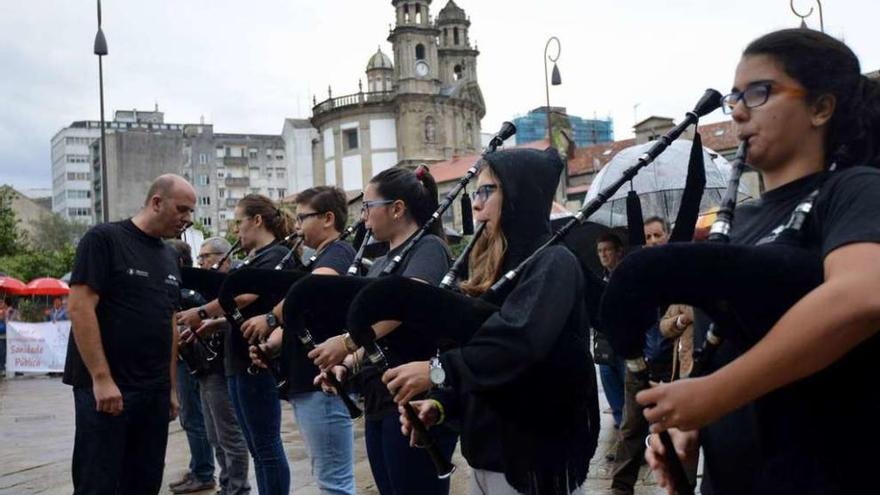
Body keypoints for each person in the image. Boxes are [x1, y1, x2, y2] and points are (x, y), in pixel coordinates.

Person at [639, 28, 880, 495]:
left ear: (820, 108)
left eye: (760, 91)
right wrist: (691, 428)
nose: (738, 110)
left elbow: (862, 297)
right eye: (735, 95)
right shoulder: (740, 222)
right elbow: (728, 346)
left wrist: (714, 395)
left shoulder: (856, 190)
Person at [393, 148, 599, 494]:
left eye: (487, 191)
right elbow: (482, 358)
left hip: (533, 461)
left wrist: (437, 370)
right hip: (487, 458)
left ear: (519, 196)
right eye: (476, 192)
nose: (476, 204)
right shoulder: (493, 266)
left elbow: (517, 343)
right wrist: (442, 404)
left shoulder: (553, 261)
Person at [309, 166, 458, 495]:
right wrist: (347, 365)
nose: (363, 217)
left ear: (397, 208)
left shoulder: (429, 248)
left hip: (415, 398)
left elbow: (408, 303)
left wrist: (347, 343)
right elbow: (374, 332)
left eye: (368, 206)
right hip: (379, 395)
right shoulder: (379, 263)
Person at [63, 174, 194, 494]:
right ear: (156, 202)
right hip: (108, 392)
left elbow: (170, 324)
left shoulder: (168, 257)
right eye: (182, 209)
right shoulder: (104, 239)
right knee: (100, 481)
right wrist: (101, 378)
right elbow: (80, 308)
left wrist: (171, 389)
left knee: (145, 482)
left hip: (153, 392)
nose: (188, 219)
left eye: (191, 212)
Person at [177, 194, 295, 495]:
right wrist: (216, 323)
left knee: (265, 445)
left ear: (257, 221)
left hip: (256, 362)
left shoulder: (276, 254)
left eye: (239, 222)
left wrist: (202, 312)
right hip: (238, 361)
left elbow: (246, 295)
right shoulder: (257, 257)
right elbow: (240, 307)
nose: (236, 231)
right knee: (256, 446)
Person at [243, 186, 357, 495]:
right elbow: (301, 315)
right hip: (307, 382)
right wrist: (272, 344)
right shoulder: (318, 258)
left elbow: (308, 292)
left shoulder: (340, 252)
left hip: (323, 383)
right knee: (326, 476)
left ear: (328, 218)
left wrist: (269, 318)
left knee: (334, 481)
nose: (296, 226)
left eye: (303, 217)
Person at [610, 216, 675, 495]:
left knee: (676, 432)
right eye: (647, 237)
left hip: (672, 363)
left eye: (657, 235)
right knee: (631, 429)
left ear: (667, 236)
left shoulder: (678, 270)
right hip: (639, 362)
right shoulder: (634, 273)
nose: (653, 241)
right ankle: (620, 489)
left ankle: (678, 484)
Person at [165, 239, 217, 494]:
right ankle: (199, 466)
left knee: (193, 418)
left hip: (189, 361)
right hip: (187, 362)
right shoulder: (186, 289)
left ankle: (204, 472)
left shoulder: (185, 293)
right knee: (192, 418)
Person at [594, 232, 627, 431]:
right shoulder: (599, 280)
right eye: (599, 251)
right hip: (605, 347)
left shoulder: (627, 274)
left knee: (631, 396)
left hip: (625, 345)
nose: (603, 254)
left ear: (618, 251)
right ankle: (622, 438)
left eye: (607, 250)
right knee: (614, 398)